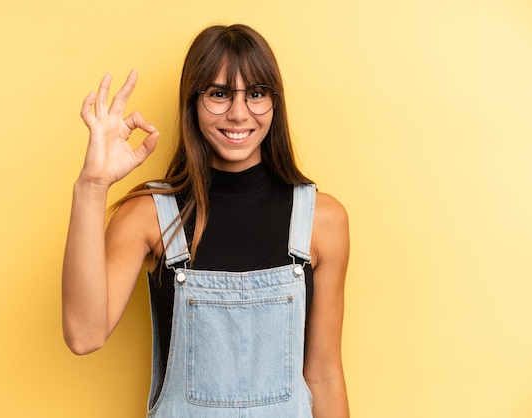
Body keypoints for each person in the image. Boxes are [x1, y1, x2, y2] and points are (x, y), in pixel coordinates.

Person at [62, 24, 350, 418]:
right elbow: (84, 334)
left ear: (274, 103)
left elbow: (324, 375)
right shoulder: (150, 215)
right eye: (218, 94)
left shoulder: (322, 219)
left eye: (255, 93)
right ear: (192, 102)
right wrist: (92, 185)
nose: (238, 113)